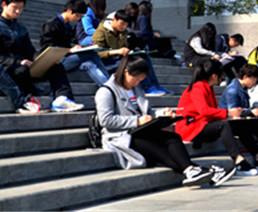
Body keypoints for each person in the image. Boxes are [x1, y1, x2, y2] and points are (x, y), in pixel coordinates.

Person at [94, 55, 234, 187]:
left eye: (141, 80)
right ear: (126, 72)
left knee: (173, 138)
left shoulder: (136, 89)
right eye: (136, 79)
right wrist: (136, 120)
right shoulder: (106, 91)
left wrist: (163, 115)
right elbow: (106, 120)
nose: (137, 83)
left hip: (142, 131)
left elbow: (148, 113)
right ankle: (200, 171)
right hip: (121, 136)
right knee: (160, 150)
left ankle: (192, 170)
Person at [0, 0, 83, 112]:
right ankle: (29, 98)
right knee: (21, 70)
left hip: (24, 67)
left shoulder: (20, 28)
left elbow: (30, 51)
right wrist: (18, 62)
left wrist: (45, 59)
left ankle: (62, 99)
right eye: (15, 7)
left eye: (21, 8)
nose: (18, 11)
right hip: (6, 70)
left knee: (56, 67)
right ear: (4, 5)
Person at [174, 59, 258, 175]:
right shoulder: (199, 87)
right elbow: (204, 110)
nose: (223, 77)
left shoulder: (207, 87)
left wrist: (231, 115)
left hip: (201, 123)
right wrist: (228, 113)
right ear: (214, 76)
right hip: (191, 127)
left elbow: (210, 111)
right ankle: (238, 161)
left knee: (239, 125)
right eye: (221, 74)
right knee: (223, 125)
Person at [92, 10, 171, 97]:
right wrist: (116, 51)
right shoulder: (100, 32)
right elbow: (97, 53)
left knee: (143, 56)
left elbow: (125, 45)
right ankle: (146, 87)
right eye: (121, 23)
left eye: (126, 25)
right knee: (135, 63)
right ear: (114, 19)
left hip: (120, 58)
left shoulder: (123, 32)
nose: (123, 27)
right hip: (108, 62)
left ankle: (155, 85)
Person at [40, 0, 109, 87]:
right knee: (92, 54)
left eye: (80, 16)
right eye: (77, 16)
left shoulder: (67, 26)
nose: (78, 19)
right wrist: (69, 50)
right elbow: (47, 47)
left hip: (67, 59)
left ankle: (107, 86)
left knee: (89, 64)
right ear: (69, 11)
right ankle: (111, 87)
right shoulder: (51, 25)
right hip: (56, 61)